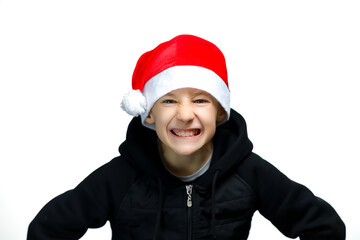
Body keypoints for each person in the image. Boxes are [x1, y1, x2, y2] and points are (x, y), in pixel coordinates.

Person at [27, 34, 345, 239]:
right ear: (148, 114)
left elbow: (325, 228)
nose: (184, 113)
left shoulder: (250, 173)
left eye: (200, 99)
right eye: (168, 100)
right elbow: (47, 231)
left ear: (220, 112)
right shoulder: (119, 178)